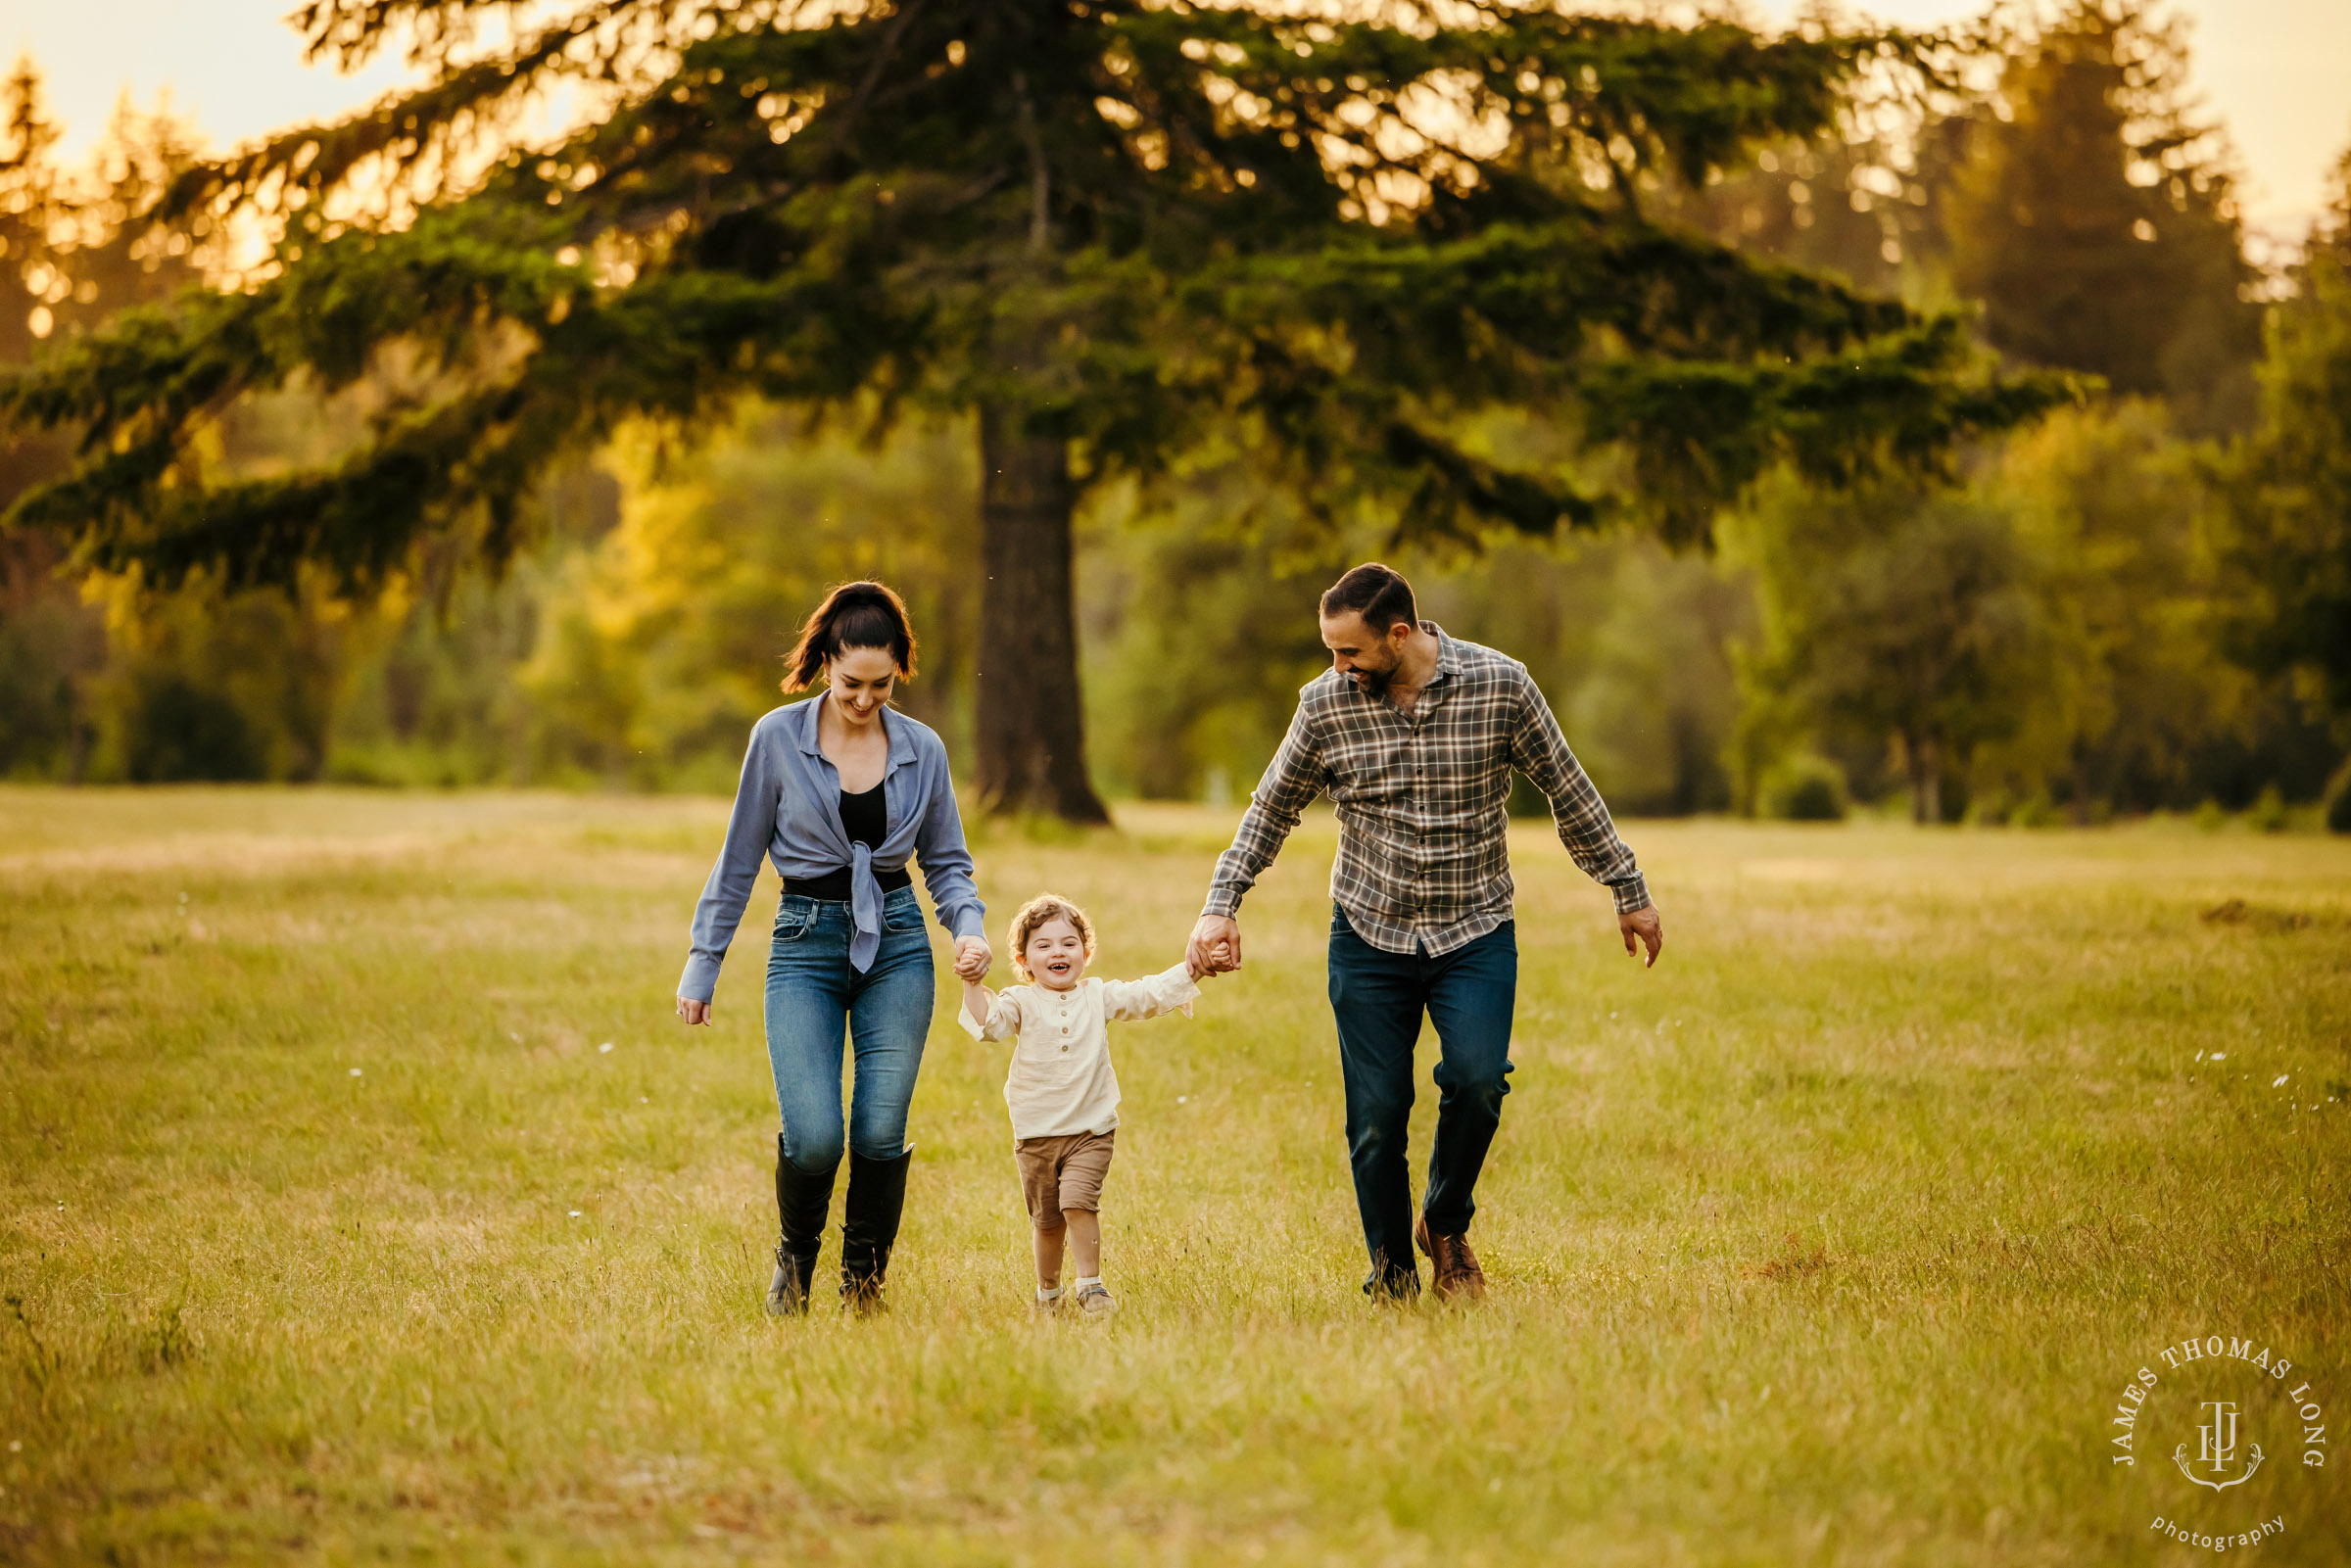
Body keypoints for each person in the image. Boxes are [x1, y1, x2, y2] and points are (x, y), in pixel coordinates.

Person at [1186, 562, 1664, 1302]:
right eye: (1329, 651)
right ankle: (1393, 1274)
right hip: (1368, 932)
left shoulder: (1501, 685)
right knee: (1376, 1115)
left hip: (1474, 926)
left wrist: (1626, 886)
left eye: (1349, 653)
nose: (1336, 669)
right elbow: (1271, 807)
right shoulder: (1324, 706)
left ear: (1399, 634)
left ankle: (1443, 1221)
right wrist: (1223, 901)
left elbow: (1567, 786)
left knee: (1477, 1081)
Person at [675, 581, 992, 1316]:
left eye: (882, 685)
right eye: (852, 682)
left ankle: (865, 1285)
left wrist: (967, 927)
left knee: (880, 1127)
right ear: (824, 663)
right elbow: (738, 859)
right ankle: (796, 1260)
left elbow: (947, 861)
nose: (864, 698)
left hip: (900, 942)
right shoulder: (777, 738)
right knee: (815, 1135)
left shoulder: (923, 748)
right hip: (804, 943)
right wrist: (704, 961)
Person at [959, 893, 1213, 1317]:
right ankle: (1047, 1294)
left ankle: (1091, 1287)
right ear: (1024, 961)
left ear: (1085, 952)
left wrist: (1192, 970)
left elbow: (1145, 994)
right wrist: (972, 982)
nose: (1057, 951)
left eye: (1068, 943)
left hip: (1091, 1130)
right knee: (1047, 1222)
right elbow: (989, 1025)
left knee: (1078, 1202)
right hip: (1036, 1134)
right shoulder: (1020, 1002)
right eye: (1044, 945)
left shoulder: (1098, 995)